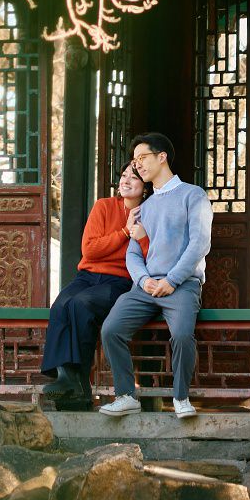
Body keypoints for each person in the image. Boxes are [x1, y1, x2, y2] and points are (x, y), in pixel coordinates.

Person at [100, 132, 212, 421]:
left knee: (183, 335)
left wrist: (172, 280)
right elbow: (133, 255)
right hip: (146, 287)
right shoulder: (144, 208)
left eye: (142, 158)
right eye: (135, 161)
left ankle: (180, 397)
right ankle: (126, 395)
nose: (138, 166)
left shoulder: (193, 195)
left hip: (182, 284)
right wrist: (143, 280)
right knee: (111, 329)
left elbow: (199, 244)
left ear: (161, 157)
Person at [37, 159, 151, 411]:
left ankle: (79, 385)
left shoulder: (151, 213)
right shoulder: (103, 206)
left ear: (145, 186)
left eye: (133, 177)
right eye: (123, 176)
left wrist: (138, 234)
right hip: (87, 276)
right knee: (61, 305)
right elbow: (89, 249)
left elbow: (149, 256)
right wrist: (123, 233)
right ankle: (65, 376)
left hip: (120, 280)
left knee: (81, 304)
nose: (125, 181)